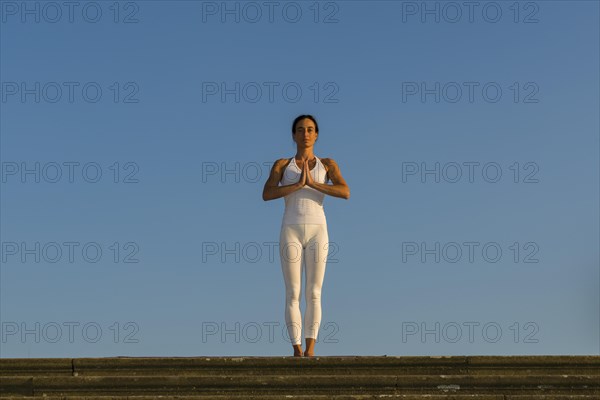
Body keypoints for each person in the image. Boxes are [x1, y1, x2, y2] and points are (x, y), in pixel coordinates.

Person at [262, 115, 350, 357]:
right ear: (293, 135)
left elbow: (345, 191)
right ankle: (296, 348)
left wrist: (312, 183)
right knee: (293, 292)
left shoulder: (328, 164)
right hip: (290, 227)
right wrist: (297, 185)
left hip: (318, 230)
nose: (306, 134)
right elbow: (267, 193)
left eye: (310, 130)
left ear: (317, 134)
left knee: (314, 291)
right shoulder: (282, 164)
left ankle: (311, 349)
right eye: (300, 130)